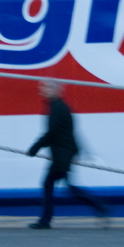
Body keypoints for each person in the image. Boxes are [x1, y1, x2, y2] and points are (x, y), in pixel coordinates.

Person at [26, 80, 109, 229]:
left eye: (46, 88)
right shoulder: (59, 107)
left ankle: (46, 221)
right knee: (63, 187)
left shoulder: (58, 108)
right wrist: (75, 153)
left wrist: (34, 148)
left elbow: (52, 133)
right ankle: (99, 207)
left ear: (56, 90)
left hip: (62, 156)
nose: (42, 90)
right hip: (64, 154)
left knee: (52, 185)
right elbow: (68, 133)